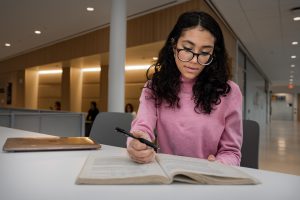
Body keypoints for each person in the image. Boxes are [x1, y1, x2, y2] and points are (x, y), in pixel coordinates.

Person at [127, 11, 242, 166]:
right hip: (165, 175)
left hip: (207, 179)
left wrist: (219, 164)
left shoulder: (229, 92)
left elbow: (231, 152)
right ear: (174, 46)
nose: (194, 60)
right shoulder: (154, 87)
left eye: (204, 52)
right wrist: (138, 144)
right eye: (187, 49)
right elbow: (142, 128)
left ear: (213, 54)